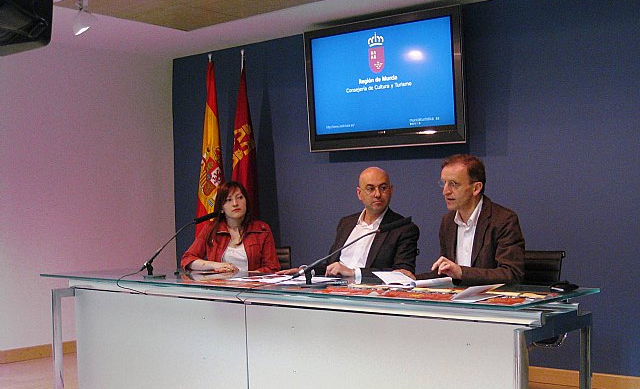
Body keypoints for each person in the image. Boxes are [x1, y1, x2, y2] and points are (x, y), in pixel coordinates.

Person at [281, 166, 419, 280]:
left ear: (391, 191)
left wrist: (354, 273)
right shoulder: (346, 223)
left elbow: (403, 274)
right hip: (335, 291)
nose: (377, 194)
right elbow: (332, 266)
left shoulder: (403, 228)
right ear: (359, 193)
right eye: (370, 188)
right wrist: (306, 271)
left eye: (383, 188)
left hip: (371, 295)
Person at [413, 154, 525, 286]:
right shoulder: (448, 221)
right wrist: (411, 278)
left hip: (489, 298)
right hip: (456, 296)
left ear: (476, 188)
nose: (445, 191)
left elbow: (511, 274)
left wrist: (461, 272)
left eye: (453, 184)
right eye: (444, 183)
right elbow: (446, 273)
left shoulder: (503, 220)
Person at [181, 181, 280, 273]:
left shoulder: (262, 229)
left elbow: (272, 268)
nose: (235, 203)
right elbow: (187, 259)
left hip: (252, 285)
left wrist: (246, 277)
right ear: (221, 208)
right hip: (220, 284)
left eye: (240, 198)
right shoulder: (210, 229)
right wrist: (215, 265)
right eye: (229, 200)